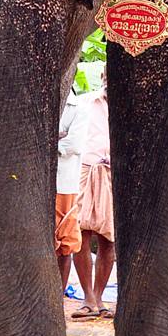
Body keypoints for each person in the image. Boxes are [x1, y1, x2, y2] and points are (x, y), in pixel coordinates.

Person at [71, 82, 115, 319]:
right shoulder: (86, 102)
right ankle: (87, 297)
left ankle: (99, 297)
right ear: (103, 76)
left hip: (112, 174)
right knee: (81, 233)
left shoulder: (125, 105)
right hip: (86, 171)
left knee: (108, 238)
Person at [56, 90, 84, 290]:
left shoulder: (79, 107)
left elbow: (74, 144)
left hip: (65, 183)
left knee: (66, 244)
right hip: (39, 183)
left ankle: (60, 295)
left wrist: (49, 142)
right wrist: (58, 138)